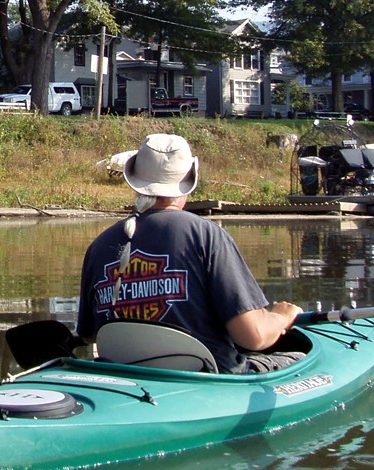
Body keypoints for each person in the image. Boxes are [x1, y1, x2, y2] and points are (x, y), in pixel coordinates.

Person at [77, 133, 304, 374]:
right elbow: (254, 336)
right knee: (303, 357)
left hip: (127, 379)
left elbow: (90, 334)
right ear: (189, 179)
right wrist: (281, 317)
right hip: (210, 379)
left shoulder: (99, 246)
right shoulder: (206, 235)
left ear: (135, 181)